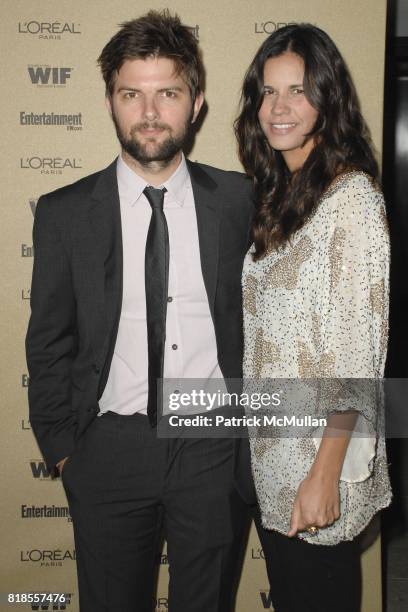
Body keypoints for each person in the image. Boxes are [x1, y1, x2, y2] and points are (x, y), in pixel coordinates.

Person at [26, 10, 255, 612]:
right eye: (132, 94)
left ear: (196, 103)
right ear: (110, 101)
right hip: (107, 446)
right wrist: (65, 447)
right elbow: (48, 339)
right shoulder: (64, 212)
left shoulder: (240, 201)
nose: (150, 114)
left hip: (211, 438)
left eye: (168, 94)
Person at [235, 23, 392, 612]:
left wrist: (325, 475)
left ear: (328, 97)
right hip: (273, 458)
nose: (279, 108)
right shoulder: (282, 192)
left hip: (315, 466)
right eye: (268, 92)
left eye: (297, 90)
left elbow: (357, 356)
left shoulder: (351, 201)